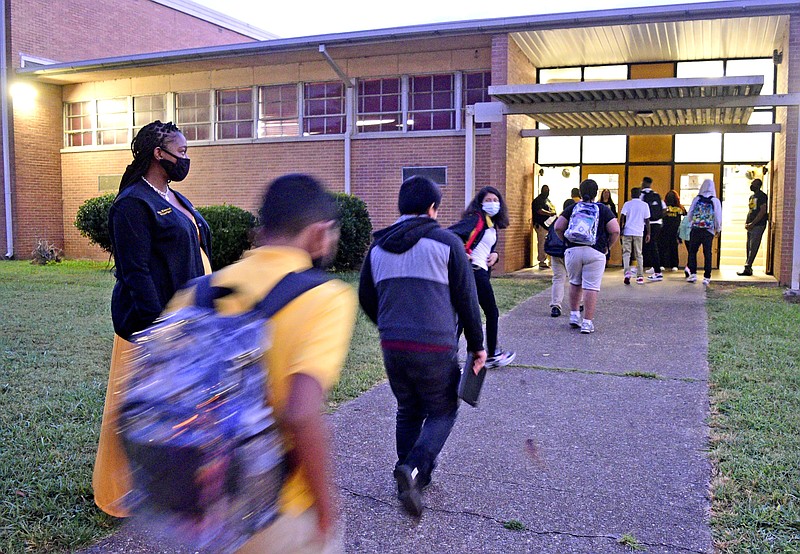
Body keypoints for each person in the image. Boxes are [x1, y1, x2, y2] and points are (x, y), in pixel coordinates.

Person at [166, 174, 356, 553]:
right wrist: (326, 510)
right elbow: (301, 412)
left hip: (208, 507)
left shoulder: (198, 291)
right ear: (319, 233)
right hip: (280, 512)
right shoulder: (326, 298)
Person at [93, 120, 212, 517]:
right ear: (158, 155)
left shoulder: (173, 196)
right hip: (151, 328)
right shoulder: (132, 203)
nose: (186, 158)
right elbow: (135, 272)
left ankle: (168, 490)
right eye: (180, 152)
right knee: (130, 411)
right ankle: (117, 494)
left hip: (188, 322)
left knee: (182, 412)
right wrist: (160, 329)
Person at [359, 175, 487, 517]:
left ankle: (407, 472)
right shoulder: (446, 244)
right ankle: (414, 469)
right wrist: (478, 346)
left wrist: (390, 326)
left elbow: (366, 298)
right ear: (433, 208)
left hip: (393, 345)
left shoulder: (377, 247)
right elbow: (467, 300)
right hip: (434, 346)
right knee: (444, 409)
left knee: (408, 408)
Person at [449, 186, 516, 369]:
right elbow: (450, 234)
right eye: (488, 200)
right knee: (491, 312)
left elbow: (486, 248)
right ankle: (492, 354)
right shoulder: (476, 219)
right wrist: (463, 252)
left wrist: (496, 256)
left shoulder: (490, 224)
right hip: (474, 272)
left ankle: (449, 356)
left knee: (464, 316)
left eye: (496, 200)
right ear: (480, 202)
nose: (493, 203)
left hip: (478, 272)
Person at [554, 179, 619, 334]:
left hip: (573, 251)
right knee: (591, 286)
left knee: (574, 282)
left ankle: (574, 315)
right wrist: (607, 246)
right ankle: (587, 322)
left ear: (580, 192)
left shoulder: (572, 208)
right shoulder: (603, 209)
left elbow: (558, 227)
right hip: (595, 251)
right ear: (596, 193)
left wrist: (567, 241)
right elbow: (615, 230)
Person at [685, 178, 723, 285]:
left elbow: (690, 213)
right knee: (707, 253)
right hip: (708, 231)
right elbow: (717, 216)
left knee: (692, 251)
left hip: (696, 229)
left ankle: (693, 274)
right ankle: (707, 276)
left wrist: (693, 222)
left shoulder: (697, 199)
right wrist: (718, 228)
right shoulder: (715, 200)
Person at [619, 187, 650, 285]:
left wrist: (621, 229)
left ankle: (627, 272)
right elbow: (647, 220)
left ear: (631, 194)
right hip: (639, 232)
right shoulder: (644, 205)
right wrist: (648, 233)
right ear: (640, 195)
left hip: (628, 231)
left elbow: (622, 217)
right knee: (639, 254)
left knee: (626, 252)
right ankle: (640, 276)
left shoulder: (627, 204)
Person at [737, 178, 768, 276]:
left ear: (758, 185)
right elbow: (751, 211)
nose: (751, 185)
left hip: (758, 225)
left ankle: (748, 266)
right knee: (749, 246)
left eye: (753, 184)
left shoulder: (762, 196)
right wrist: (747, 223)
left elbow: (762, 211)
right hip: (750, 225)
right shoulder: (751, 197)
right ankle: (748, 267)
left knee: (754, 246)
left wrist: (753, 223)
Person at [640, 177, 666, 282]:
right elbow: (664, 209)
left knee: (649, 246)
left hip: (647, 224)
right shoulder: (657, 195)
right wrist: (658, 217)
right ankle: (654, 267)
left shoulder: (642, 195)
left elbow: (641, 209)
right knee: (652, 245)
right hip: (658, 224)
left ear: (643, 183)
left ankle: (657, 271)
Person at [660, 189, 686, 271]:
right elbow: (686, 214)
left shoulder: (664, 208)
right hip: (676, 231)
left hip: (664, 230)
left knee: (663, 247)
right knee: (674, 248)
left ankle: (662, 264)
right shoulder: (680, 208)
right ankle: (674, 265)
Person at [531, 185, 557, 269]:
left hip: (548, 225)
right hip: (541, 224)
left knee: (547, 242)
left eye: (548, 190)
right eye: (546, 190)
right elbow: (539, 210)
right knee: (542, 243)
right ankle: (541, 261)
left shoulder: (547, 200)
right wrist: (549, 214)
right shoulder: (538, 200)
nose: (547, 192)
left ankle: (549, 260)